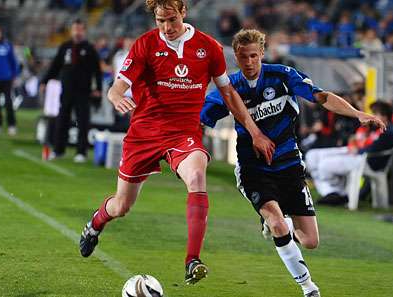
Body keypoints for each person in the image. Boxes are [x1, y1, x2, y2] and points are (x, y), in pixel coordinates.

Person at [78, 0, 274, 286]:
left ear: (184, 13)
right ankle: (95, 225)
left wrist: (255, 132)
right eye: (160, 21)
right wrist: (116, 96)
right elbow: (118, 86)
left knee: (197, 175)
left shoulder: (209, 48)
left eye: (171, 19)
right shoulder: (145, 44)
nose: (166, 27)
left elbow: (229, 94)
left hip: (184, 133)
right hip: (144, 133)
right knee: (121, 206)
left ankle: (192, 260)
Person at [200, 29, 386, 297]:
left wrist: (357, 113)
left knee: (310, 241)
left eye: (254, 56)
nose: (249, 62)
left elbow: (321, 97)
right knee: (278, 224)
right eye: (243, 57)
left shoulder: (283, 76)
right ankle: (308, 287)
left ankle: (278, 221)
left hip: (288, 164)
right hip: (253, 167)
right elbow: (200, 119)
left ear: (262, 54)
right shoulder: (228, 88)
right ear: (236, 58)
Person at [306, 101, 393, 205]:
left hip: (366, 160)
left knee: (324, 165)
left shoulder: (389, 131)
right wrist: (353, 140)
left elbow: (373, 149)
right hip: (354, 152)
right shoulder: (372, 126)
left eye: (375, 113)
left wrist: (358, 150)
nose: (373, 116)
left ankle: (335, 193)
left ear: (384, 116)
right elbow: (355, 137)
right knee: (312, 156)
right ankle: (333, 192)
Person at [41, 19, 102, 163]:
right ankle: (58, 150)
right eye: (75, 29)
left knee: (82, 122)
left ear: (84, 31)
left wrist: (98, 88)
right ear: (71, 30)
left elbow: (97, 71)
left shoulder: (89, 49)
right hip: (66, 90)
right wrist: (45, 81)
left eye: (80, 29)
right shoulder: (65, 47)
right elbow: (55, 66)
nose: (77, 32)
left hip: (83, 92)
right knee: (62, 120)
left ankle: (81, 152)